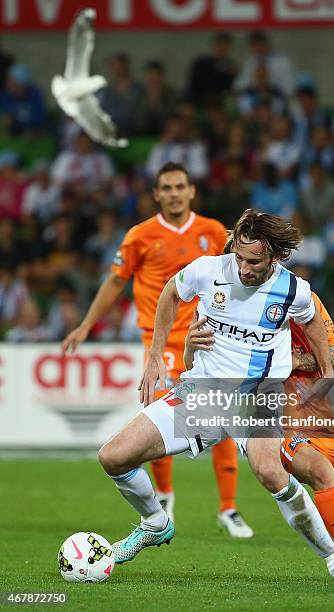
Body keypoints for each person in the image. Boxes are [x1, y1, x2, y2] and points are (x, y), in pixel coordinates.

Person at [95, 209, 334, 584]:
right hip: (203, 393)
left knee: (270, 472)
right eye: (240, 257)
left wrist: (325, 369)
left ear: (274, 256)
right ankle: (155, 521)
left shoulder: (293, 290)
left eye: (254, 261)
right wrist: (155, 355)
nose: (243, 268)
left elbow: (310, 321)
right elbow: (171, 292)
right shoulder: (209, 270)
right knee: (113, 457)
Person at [63, 162, 252, 538]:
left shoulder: (213, 232)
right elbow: (115, 282)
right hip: (161, 342)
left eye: (180, 186)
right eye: (166, 187)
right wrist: (86, 325)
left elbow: (244, 272)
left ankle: (228, 508)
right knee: (159, 413)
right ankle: (164, 496)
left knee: (224, 420)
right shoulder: (140, 236)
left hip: (208, 339)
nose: (174, 193)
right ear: (156, 194)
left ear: (191, 191)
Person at [184, 286, 334, 583]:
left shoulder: (306, 300)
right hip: (278, 422)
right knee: (320, 471)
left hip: (322, 422)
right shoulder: (229, 311)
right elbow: (204, 367)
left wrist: (288, 361)